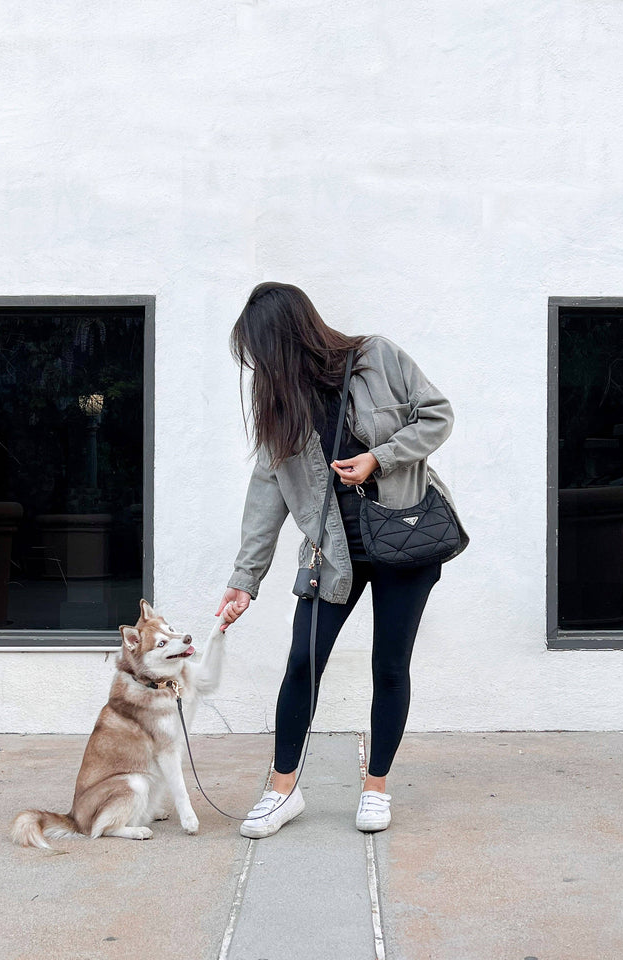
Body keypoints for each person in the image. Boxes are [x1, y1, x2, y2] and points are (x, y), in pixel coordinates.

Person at [215, 281, 468, 839]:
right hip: (334, 555)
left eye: (262, 351)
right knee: (303, 664)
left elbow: (437, 416)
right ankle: (283, 790)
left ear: (288, 337)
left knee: (389, 666)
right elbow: (266, 493)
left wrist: (380, 458)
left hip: (405, 540)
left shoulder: (377, 357)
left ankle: (376, 787)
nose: (259, 366)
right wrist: (244, 581)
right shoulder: (279, 404)